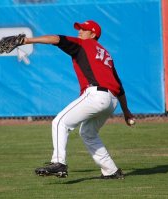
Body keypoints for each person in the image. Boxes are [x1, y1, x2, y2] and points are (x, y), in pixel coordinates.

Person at [22, 20, 134, 179]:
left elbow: (56, 39)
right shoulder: (105, 54)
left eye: (84, 29)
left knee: (60, 122)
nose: (80, 31)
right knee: (88, 133)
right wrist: (126, 111)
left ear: (93, 34)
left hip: (97, 95)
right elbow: (119, 86)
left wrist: (28, 40)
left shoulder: (84, 44)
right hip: (112, 100)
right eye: (80, 28)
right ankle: (111, 171)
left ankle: (59, 163)